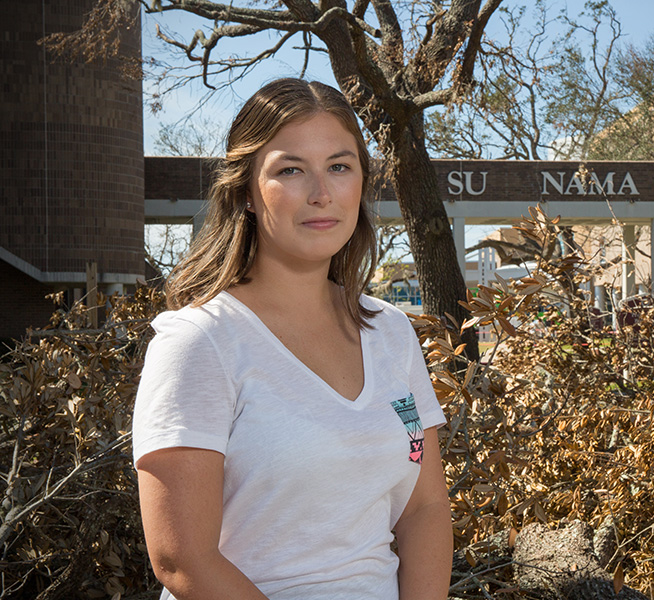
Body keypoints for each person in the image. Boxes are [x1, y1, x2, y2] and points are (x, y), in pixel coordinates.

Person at [132, 78, 452, 600]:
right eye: (291, 169)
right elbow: (182, 559)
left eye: (340, 166)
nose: (321, 192)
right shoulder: (199, 341)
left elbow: (424, 508)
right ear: (247, 194)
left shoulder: (390, 331)